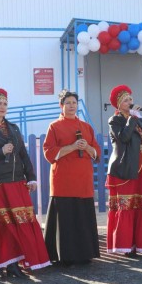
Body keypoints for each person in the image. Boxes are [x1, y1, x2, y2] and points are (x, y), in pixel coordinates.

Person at [0, 87, 50, 279]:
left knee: (17, 223)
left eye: (5, 103)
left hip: (16, 182)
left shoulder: (14, 128)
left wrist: (30, 177)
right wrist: (0, 151)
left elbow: (23, 154)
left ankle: (14, 265)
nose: (2, 106)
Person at [43, 89, 101, 266]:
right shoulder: (54, 126)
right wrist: (73, 146)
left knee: (83, 216)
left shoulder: (86, 127)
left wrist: (87, 147)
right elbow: (49, 152)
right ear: (61, 105)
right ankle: (63, 256)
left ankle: (85, 254)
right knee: (65, 217)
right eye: (67, 102)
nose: (71, 106)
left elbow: (96, 152)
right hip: (64, 178)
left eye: (74, 103)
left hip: (83, 177)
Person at [106, 84, 142, 256]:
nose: (130, 102)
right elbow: (123, 137)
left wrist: (135, 118)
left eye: (130, 99)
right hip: (124, 167)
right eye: (125, 100)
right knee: (127, 204)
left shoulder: (138, 118)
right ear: (118, 104)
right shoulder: (115, 120)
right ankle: (126, 245)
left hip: (141, 164)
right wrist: (131, 118)